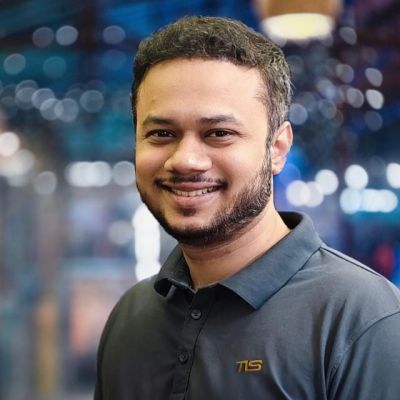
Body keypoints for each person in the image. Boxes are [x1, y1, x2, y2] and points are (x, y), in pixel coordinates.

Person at [94, 16, 400, 400]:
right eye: (162, 134)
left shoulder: (362, 320)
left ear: (277, 149)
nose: (185, 160)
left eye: (219, 133)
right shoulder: (130, 317)